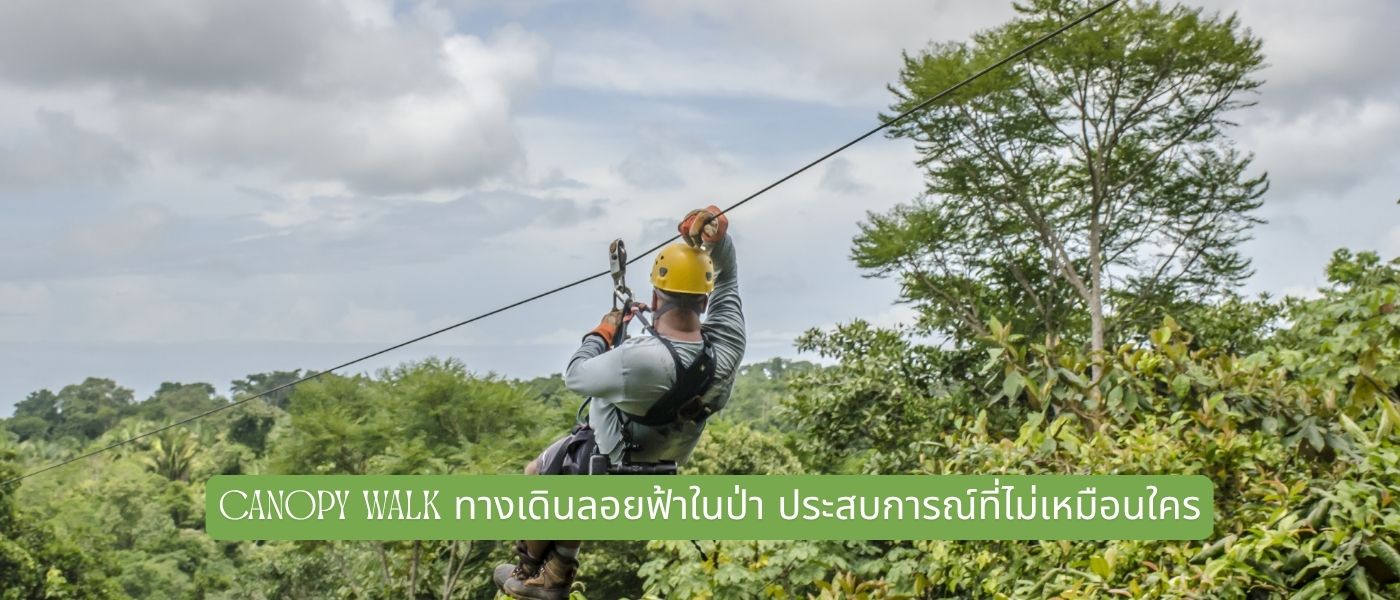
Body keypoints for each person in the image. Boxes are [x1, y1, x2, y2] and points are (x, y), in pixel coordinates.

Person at [494, 206, 746, 599]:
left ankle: (533, 571)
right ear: (704, 299)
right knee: (574, 473)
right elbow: (727, 282)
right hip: (669, 453)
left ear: (655, 295)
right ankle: (554, 569)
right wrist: (718, 242)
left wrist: (603, 331)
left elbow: (576, 374)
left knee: (543, 473)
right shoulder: (727, 346)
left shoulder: (638, 361)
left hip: (614, 453)